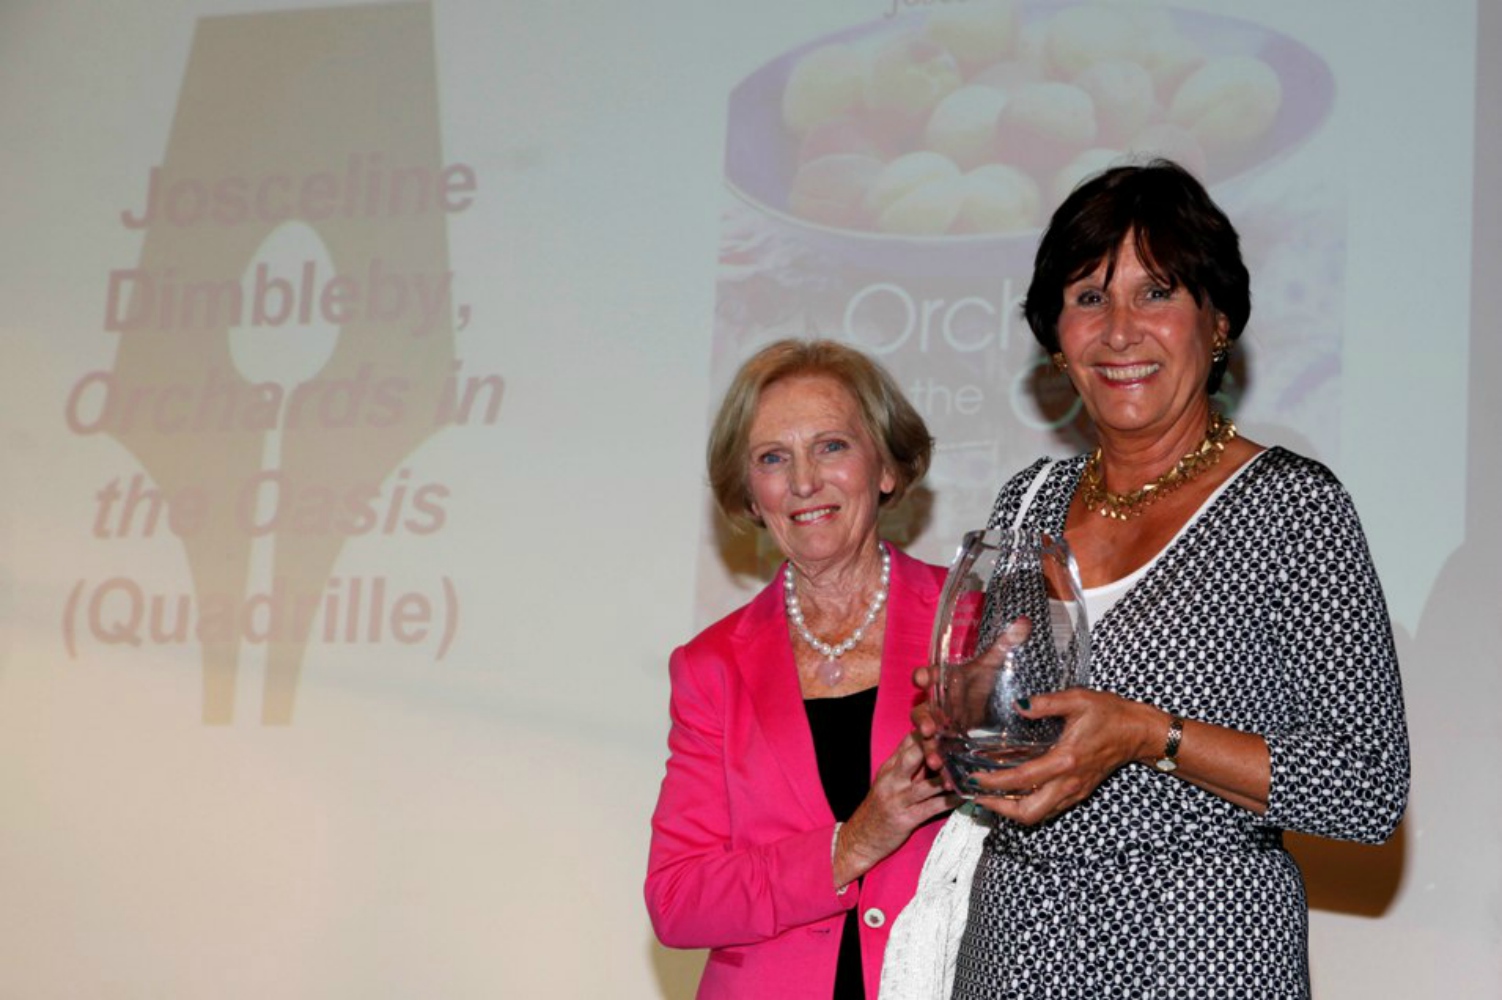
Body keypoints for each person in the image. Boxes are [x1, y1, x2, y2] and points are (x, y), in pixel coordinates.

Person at [913, 160, 1411, 999]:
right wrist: (963, 719)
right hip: (1017, 946)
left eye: (1156, 294)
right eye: (1087, 297)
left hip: (1200, 946)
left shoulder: (1294, 508)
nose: (1118, 332)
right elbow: (1013, 723)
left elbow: (1365, 790)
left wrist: (1150, 734)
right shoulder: (1025, 502)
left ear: (1217, 324)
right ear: (1055, 340)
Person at [646, 339, 957, 999]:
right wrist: (849, 846)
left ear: (887, 468)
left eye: (832, 446)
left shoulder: (967, 625)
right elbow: (677, 900)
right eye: (772, 458)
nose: (805, 481)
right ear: (752, 496)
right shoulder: (711, 666)